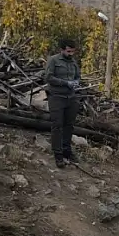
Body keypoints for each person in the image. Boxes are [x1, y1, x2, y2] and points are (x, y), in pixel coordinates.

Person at [44, 38, 82, 168]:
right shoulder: (53, 60)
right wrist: (65, 83)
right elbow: (48, 77)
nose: (71, 54)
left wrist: (76, 82)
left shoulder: (73, 63)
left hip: (70, 97)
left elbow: (78, 76)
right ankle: (58, 154)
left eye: (73, 51)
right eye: (68, 51)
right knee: (57, 125)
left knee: (69, 125)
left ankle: (67, 151)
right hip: (56, 97)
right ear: (62, 50)